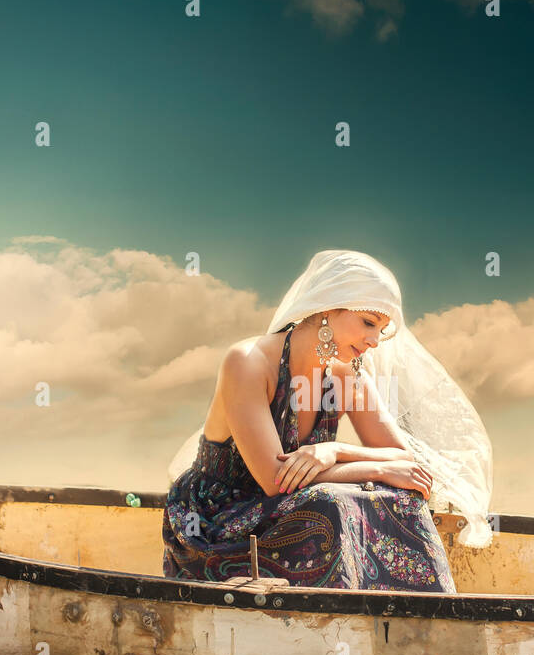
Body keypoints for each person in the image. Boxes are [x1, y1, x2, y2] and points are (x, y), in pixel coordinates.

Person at [161, 250, 493, 590]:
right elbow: (276, 481)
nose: (374, 341)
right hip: (219, 521)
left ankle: (420, 624)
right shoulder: (247, 362)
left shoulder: (344, 373)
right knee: (330, 502)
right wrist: (376, 469)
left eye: (381, 329)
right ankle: (343, 621)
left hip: (290, 507)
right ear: (328, 306)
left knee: (403, 498)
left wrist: (334, 450)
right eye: (367, 322)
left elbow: (402, 457)